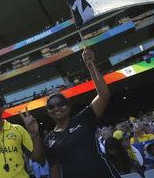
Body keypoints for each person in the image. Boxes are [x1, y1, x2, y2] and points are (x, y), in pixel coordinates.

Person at [22, 48, 120, 178]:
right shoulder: (49, 139)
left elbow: (103, 95)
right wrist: (34, 134)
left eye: (60, 104)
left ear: (67, 107)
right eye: (51, 106)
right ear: (49, 112)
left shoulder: (84, 118)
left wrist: (90, 65)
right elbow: (51, 167)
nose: (56, 108)